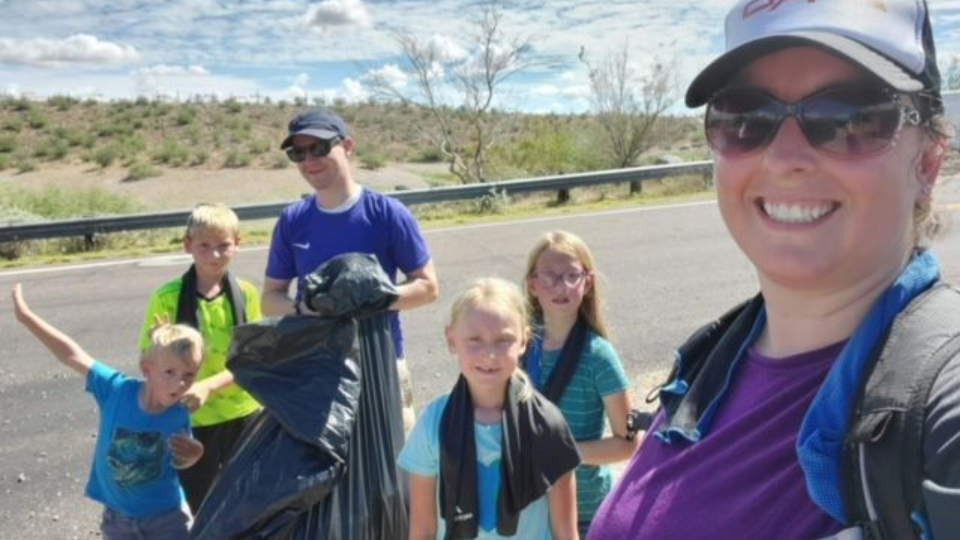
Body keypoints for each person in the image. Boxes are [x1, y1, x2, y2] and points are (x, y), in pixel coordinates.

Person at [589, 1, 959, 539]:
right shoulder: (711, 360)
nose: (784, 158)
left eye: (849, 119)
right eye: (745, 118)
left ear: (927, 162)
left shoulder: (941, 409)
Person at [262, 108, 439, 433]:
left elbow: (428, 287)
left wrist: (372, 300)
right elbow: (270, 300)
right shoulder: (292, 221)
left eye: (318, 148)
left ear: (347, 146)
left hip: (381, 363)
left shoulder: (388, 214)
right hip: (315, 369)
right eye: (298, 153)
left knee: (393, 458)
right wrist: (308, 309)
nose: (309, 160)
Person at [12, 284, 204, 540]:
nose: (180, 384)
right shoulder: (117, 390)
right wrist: (26, 317)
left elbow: (178, 460)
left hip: (167, 519)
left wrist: (194, 454)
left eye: (189, 375)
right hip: (118, 520)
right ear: (147, 369)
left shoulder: (179, 413)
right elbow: (72, 355)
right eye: (170, 372)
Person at [399, 278, 581, 540]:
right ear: (451, 339)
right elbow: (422, 531)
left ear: (524, 341)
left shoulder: (547, 424)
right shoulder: (434, 423)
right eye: (475, 339)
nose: (489, 353)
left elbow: (566, 532)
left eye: (503, 340)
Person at [137, 202, 262, 513]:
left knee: (246, 501)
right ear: (187, 244)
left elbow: (252, 360)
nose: (214, 255)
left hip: (242, 414)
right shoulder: (167, 297)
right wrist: (160, 345)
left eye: (223, 245)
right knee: (196, 504)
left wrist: (208, 386)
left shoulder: (246, 293)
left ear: (238, 244)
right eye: (204, 245)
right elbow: (147, 363)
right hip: (190, 420)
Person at [522, 231, 638, 536]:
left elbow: (628, 443)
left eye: (572, 276)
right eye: (549, 276)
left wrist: (561, 452)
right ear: (532, 285)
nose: (561, 286)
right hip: (529, 510)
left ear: (587, 283)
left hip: (585, 512)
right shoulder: (516, 347)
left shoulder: (599, 356)